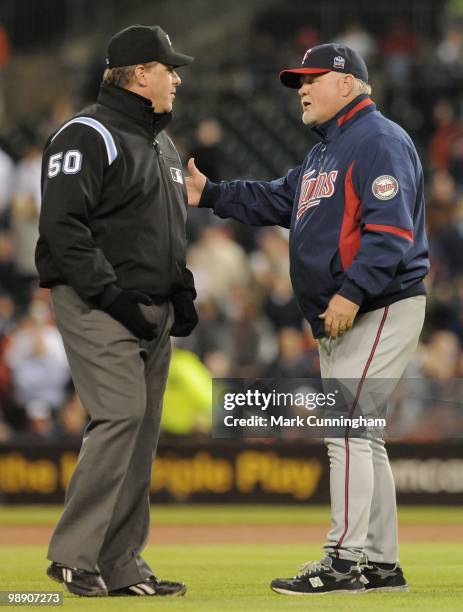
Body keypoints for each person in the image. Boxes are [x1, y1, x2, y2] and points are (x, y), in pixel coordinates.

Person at [187, 43, 429, 595]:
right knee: (362, 434)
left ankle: (344, 561)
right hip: (348, 312)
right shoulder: (326, 153)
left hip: (378, 304)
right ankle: (381, 564)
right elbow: (278, 198)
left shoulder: (378, 140)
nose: (301, 87)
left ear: (347, 83)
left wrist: (351, 293)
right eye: (299, 79)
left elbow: (391, 234)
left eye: (311, 78)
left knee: (345, 426)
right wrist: (213, 195)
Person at [36, 24, 197, 597]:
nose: (176, 77)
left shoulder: (161, 142)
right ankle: (73, 556)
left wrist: (181, 287)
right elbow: (62, 228)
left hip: (151, 310)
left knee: (143, 431)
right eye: (168, 68)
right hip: (96, 303)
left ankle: (122, 563)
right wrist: (112, 295)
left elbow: (166, 230)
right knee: (122, 416)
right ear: (138, 74)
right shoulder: (86, 133)